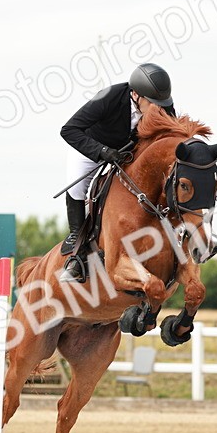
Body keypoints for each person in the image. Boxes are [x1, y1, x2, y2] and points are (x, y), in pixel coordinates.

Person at [58, 63, 175, 281]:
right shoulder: (108, 97)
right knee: (77, 187)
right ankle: (78, 249)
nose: (159, 110)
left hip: (128, 153)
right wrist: (102, 151)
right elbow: (69, 130)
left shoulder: (161, 104)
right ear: (136, 95)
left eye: (162, 105)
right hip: (91, 147)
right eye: (153, 104)